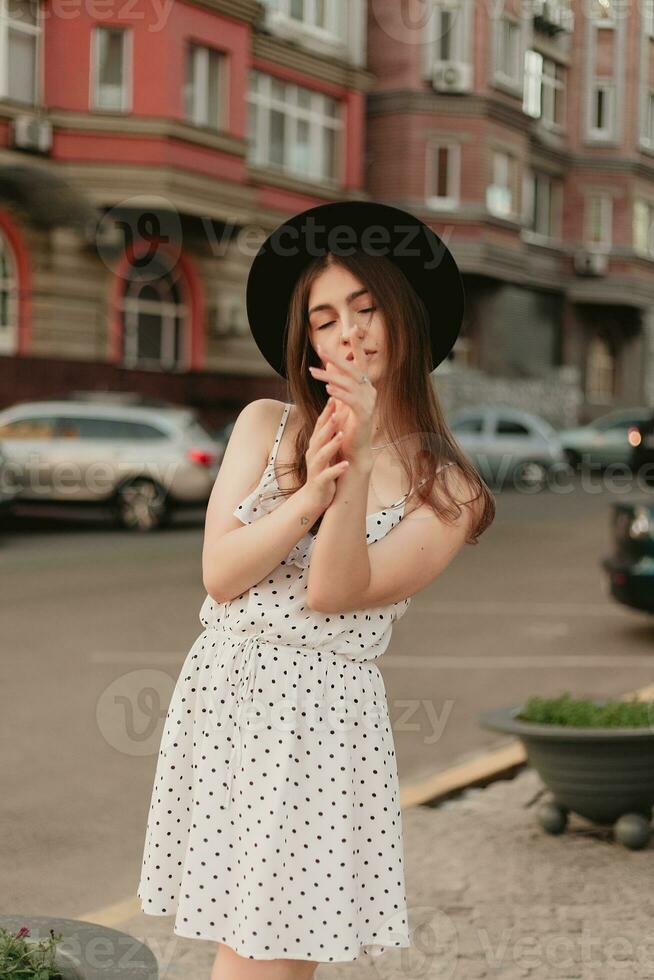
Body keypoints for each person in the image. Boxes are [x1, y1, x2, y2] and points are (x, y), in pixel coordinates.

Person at [137, 200, 495, 979]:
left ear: (404, 319)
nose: (349, 332)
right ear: (309, 341)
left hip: (321, 719)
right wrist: (306, 496)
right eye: (326, 318)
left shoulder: (450, 488)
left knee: (273, 956)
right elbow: (221, 575)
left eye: (366, 309)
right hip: (228, 693)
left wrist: (359, 464)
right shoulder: (266, 423)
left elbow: (334, 590)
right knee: (250, 947)